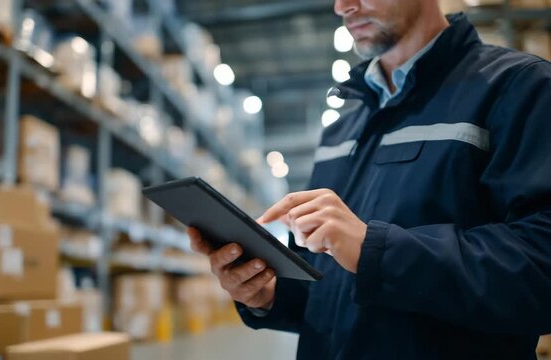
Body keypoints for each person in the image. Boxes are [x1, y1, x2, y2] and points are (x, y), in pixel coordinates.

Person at [188, 0, 551, 358]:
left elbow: (540, 269)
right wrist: (266, 295)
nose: (342, 6)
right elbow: (327, 293)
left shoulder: (516, 88)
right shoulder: (341, 133)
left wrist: (376, 252)